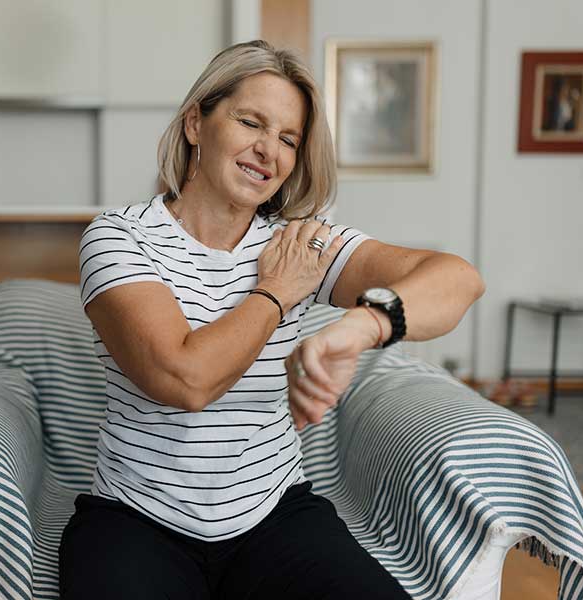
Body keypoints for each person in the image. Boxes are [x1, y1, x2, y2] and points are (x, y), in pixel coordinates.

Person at [59, 40, 485, 599]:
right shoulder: (119, 235)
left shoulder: (299, 244)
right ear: (195, 123)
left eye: (288, 139)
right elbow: (184, 380)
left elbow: (458, 280)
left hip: (274, 515)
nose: (268, 150)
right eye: (250, 122)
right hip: (135, 521)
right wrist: (276, 293)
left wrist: (362, 326)